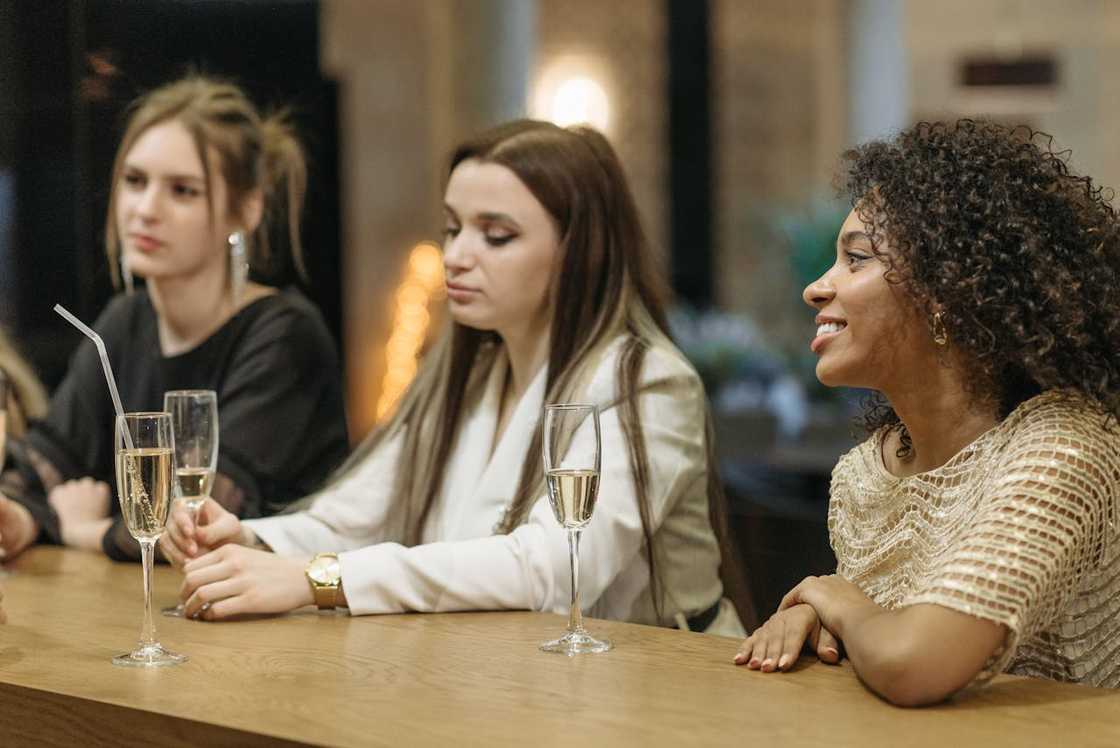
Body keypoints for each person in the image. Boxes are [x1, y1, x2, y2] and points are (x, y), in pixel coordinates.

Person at [162, 119, 748, 635]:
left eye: (496, 236)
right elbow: (359, 513)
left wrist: (319, 579)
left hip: (665, 688)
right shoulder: (472, 374)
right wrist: (249, 540)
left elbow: (553, 566)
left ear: (578, 251)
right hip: (517, 678)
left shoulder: (646, 382)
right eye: (452, 228)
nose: (458, 255)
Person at [734, 119, 1120, 704]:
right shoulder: (863, 476)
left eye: (856, 259)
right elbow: (880, 652)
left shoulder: (1063, 447)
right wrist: (825, 626)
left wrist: (833, 596)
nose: (817, 287)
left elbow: (912, 665)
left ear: (945, 293)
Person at [0, 75, 349, 562]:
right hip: (153, 614)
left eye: (183, 191)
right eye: (135, 181)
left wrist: (79, 529)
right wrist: (18, 515)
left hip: (281, 624)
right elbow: (47, 458)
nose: (145, 209)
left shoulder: (285, 335)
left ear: (245, 210)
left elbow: (196, 520)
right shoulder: (125, 321)